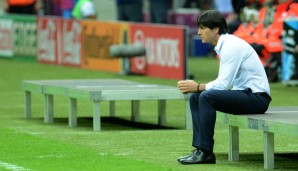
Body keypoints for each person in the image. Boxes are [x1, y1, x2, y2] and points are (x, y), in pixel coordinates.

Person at [177, 10, 271, 164]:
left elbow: (223, 84)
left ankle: (206, 153)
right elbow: (223, 85)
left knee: (205, 96)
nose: (199, 32)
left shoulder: (231, 46)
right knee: (196, 97)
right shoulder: (225, 44)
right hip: (245, 95)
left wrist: (198, 86)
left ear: (215, 29)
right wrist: (197, 89)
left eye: (203, 28)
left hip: (257, 99)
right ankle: (200, 149)